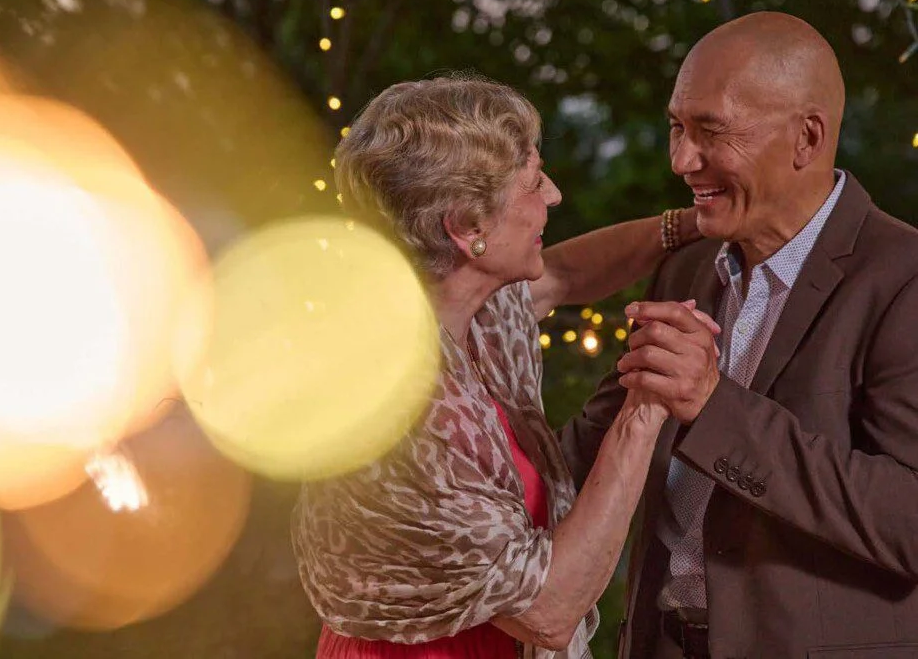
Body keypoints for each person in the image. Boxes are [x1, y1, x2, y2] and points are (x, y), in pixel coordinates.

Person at [292, 74, 710, 659]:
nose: (556, 195)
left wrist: (689, 225)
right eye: (534, 182)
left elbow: (566, 274)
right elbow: (550, 611)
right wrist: (647, 405)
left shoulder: (471, 304)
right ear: (466, 228)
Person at [561, 11, 918, 659]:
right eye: (675, 127)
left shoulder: (902, 280)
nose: (680, 160)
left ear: (805, 138)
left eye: (709, 132)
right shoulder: (685, 266)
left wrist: (713, 406)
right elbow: (584, 456)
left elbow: (907, 522)